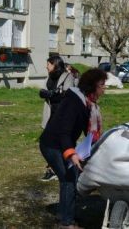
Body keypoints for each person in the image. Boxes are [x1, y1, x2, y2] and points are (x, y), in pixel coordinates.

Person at [39, 68, 107, 229]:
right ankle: (66, 223)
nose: (104, 88)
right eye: (102, 85)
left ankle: (65, 214)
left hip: (62, 143)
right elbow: (64, 131)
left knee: (71, 177)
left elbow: (88, 130)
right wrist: (71, 154)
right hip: (52, 145)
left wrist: (97, 146)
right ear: (92, 86)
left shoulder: (87, 102)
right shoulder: (74, 102)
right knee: (68, 179)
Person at [40, 56, 76, 181]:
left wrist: (53, 94)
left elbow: (68, 95)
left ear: (55, 64)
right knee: (47, 141)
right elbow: (44, 90)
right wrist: (45, 93)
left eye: (48, 64)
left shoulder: (67, 77)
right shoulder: (49, 77)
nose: (46, 66)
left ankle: (64, 169)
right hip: (51, 113)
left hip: (63, 115)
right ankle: (53, 169)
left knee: (61, 143)